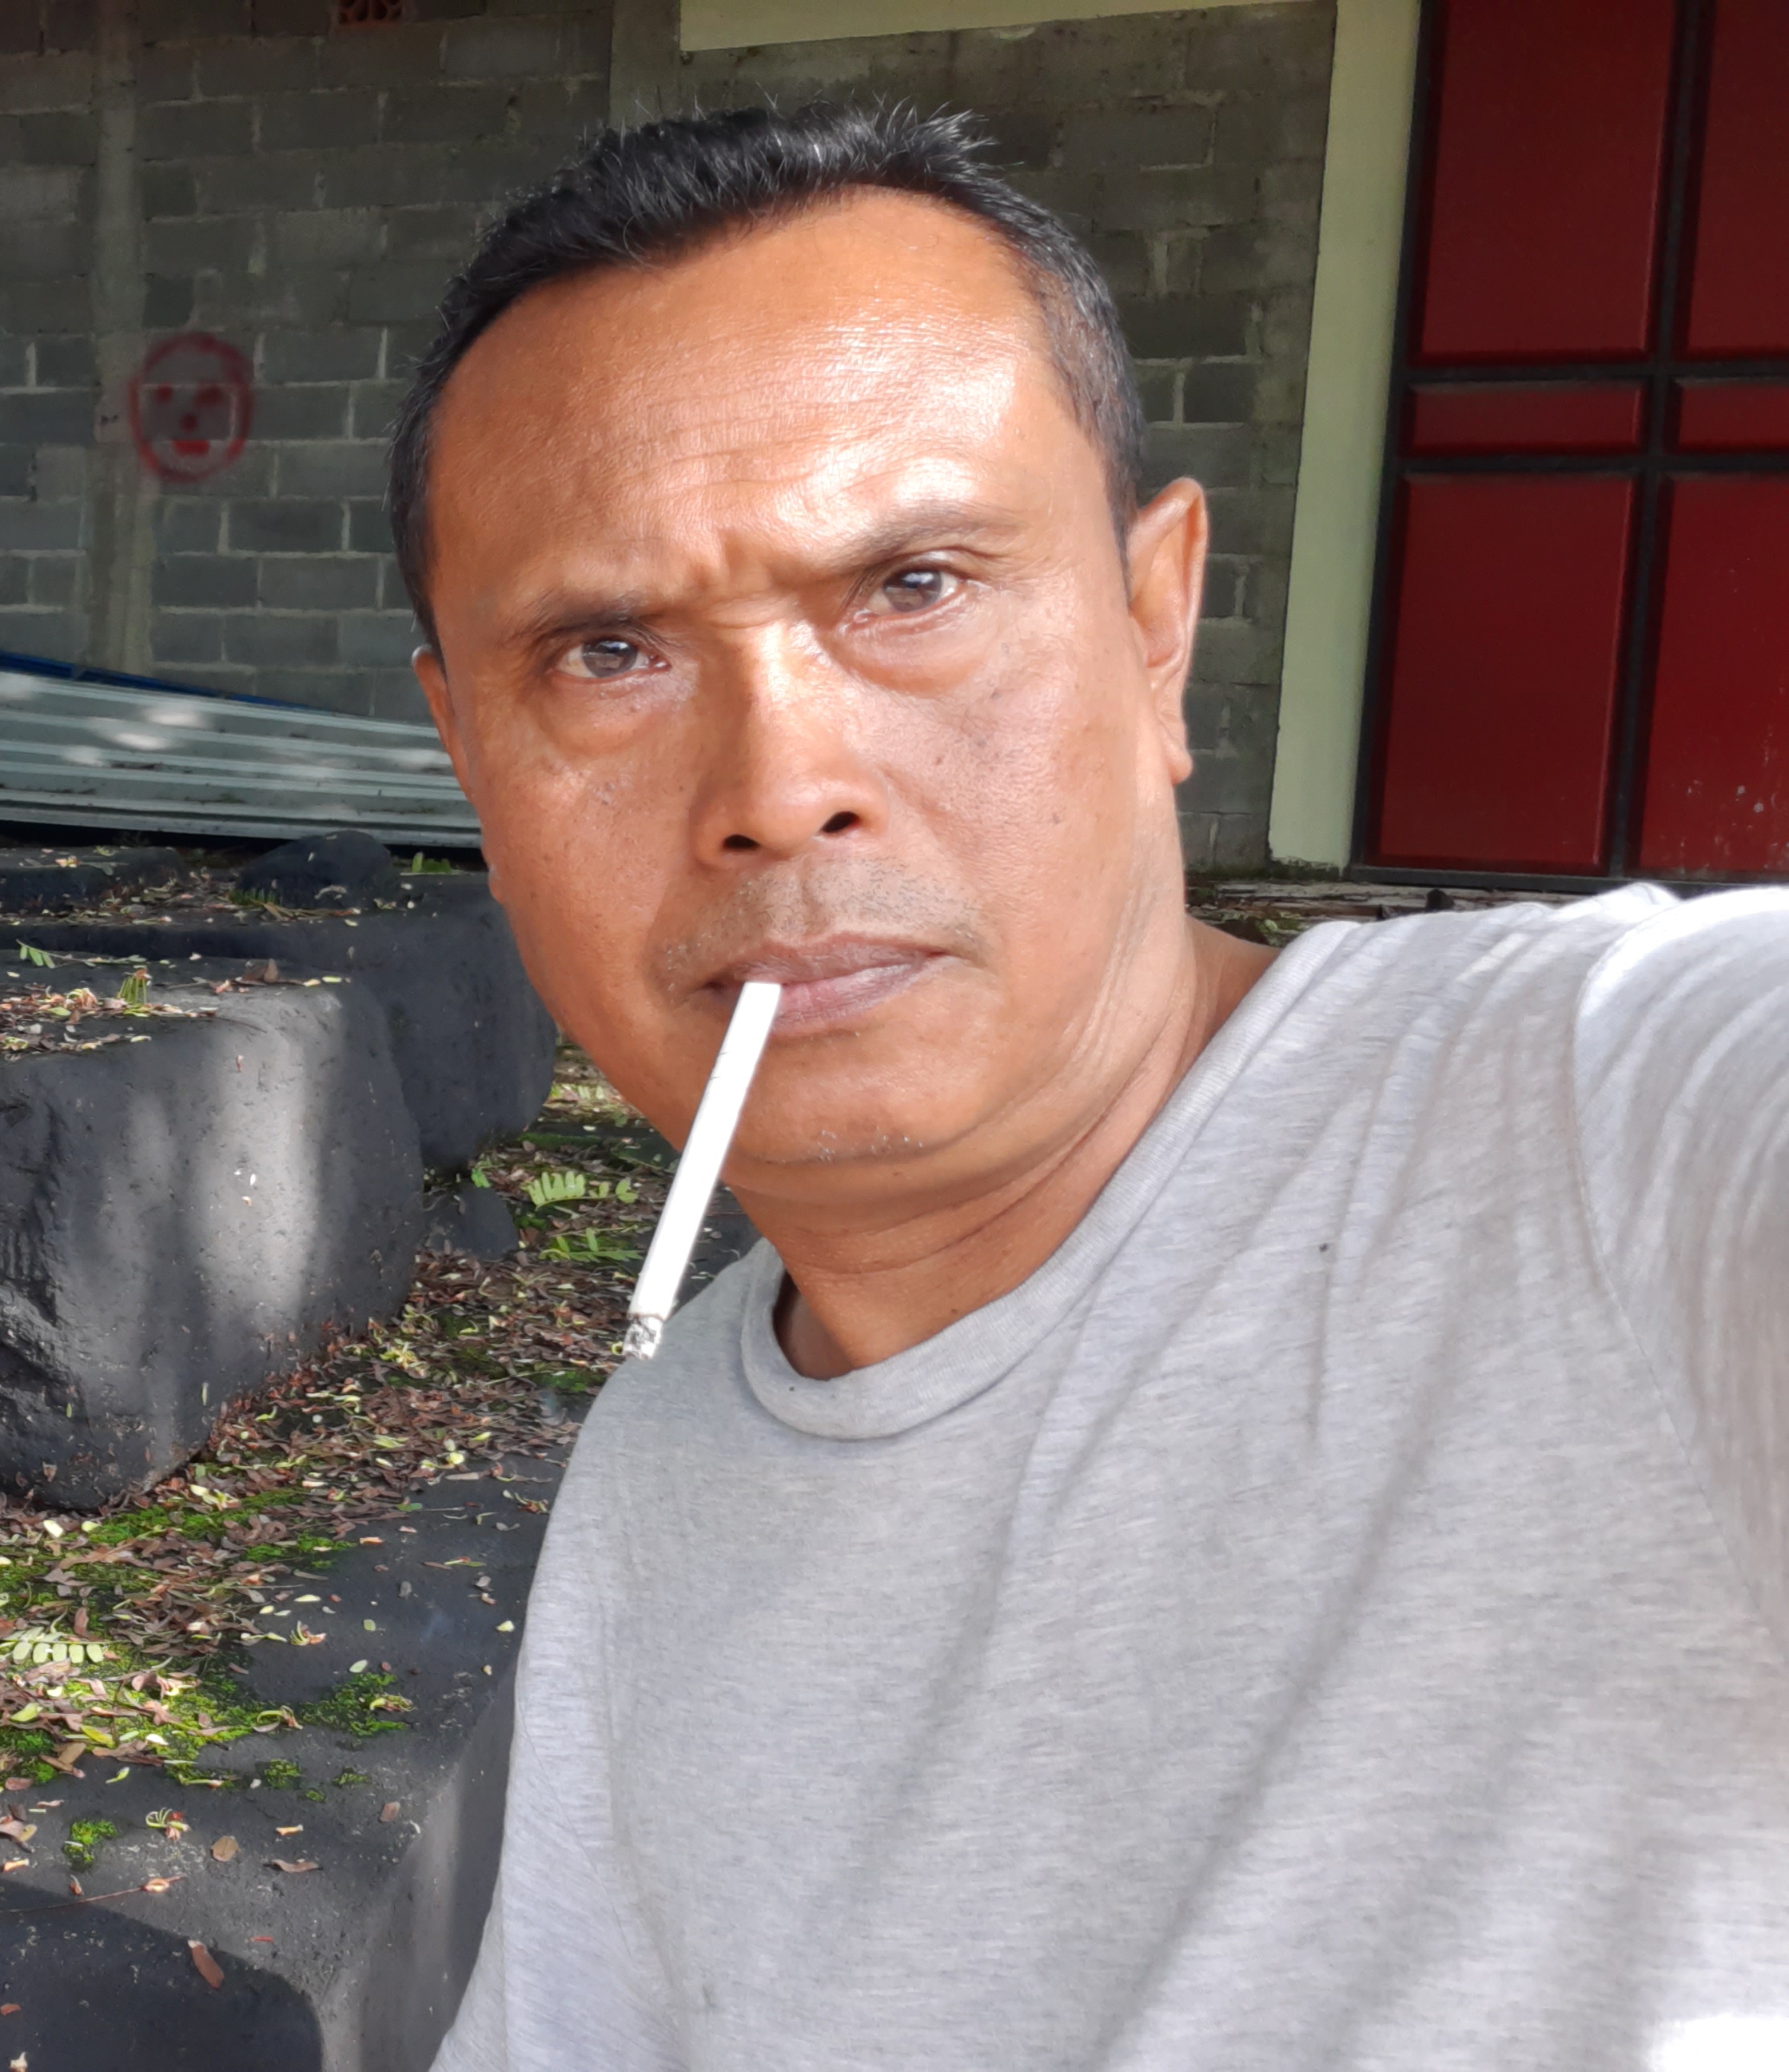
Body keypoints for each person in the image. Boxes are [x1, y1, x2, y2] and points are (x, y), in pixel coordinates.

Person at [398, 104, 1787, 2070]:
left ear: (1156, 626)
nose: (780, 787)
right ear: (467, 752)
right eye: (609, 651)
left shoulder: (1606, 1130)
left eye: (915, 587)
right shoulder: (669, 1466)